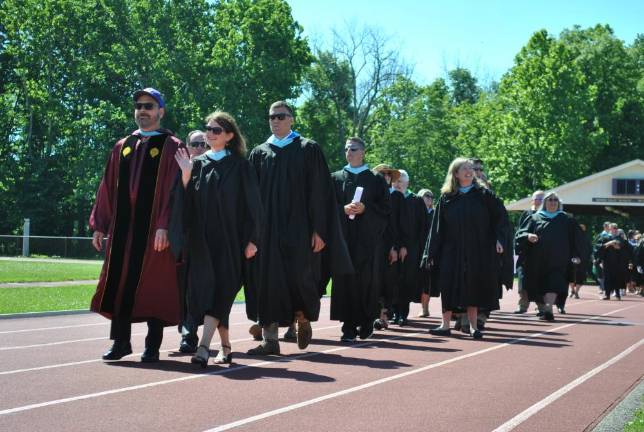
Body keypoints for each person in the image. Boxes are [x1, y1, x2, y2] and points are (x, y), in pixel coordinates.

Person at [245, 101, 352, 355]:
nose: (275, 120)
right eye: (271, 116)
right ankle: (270, 339)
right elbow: (251, 198)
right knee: (268, 281)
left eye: (281, 116)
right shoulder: (260, 153)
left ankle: (302, 318)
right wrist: (251, 234)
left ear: (292, 119)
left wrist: (319, 230)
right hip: (267, 231)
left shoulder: (308, 149)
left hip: (300, 228)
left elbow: (320, 193)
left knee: (300, 278)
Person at [90, 88, 183, 362]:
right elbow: (107, 188)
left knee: (154, 284)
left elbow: (175, 191)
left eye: (149, 106)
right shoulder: (123, 146)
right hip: (123, 232)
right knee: (119, 282)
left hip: (155, 232)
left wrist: (165, 225)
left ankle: (152, 346)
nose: (142, 110)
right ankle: (120, 342)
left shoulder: (172, 146)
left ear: (160, 111)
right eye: (139, 105)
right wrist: (100, 224)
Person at [174, 112, 262, 367]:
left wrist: (253, 240)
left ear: (229, 136)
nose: (209, 133)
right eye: (208, 129)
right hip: (202, 243)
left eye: (216, 130)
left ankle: (203, 348)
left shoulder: (240, 166)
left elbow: (254, 206)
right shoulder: (198, 164)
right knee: (205, 293)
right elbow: (186, 205)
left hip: (231, 242)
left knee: (222, 291)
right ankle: (225, 346)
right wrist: (186, 176)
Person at [424, 157, 506, 339]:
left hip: (478, 248)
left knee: (473, 284)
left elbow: (500, 218)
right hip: (451, 249)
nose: (469, 171)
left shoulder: (484, 195)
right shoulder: (447, 197)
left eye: (471, 168)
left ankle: (474, 326)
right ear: (455, 173)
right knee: (447, 284)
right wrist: (430, 251)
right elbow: (437, 228)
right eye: (464, 169)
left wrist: (499, 239)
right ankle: (445, 325)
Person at [330, 137, 390, 341]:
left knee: (366, 282)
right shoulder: (336, 178)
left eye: (353, 149)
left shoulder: (375, 179)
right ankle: (347, 327)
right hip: (344, 240)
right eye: (346, 148)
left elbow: (385, 210)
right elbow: (325, 208)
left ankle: (366, 322)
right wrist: (342, 209)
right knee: (345, 282)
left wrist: (366, 209)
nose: (349, 152)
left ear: (363, 152)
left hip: (367, 241)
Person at [515, 192, 583, 321]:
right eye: (550, 199)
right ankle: (545, 307)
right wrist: (528, 236)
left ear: (559, 203)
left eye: (555, 200)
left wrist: (576, 255)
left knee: (554, 282)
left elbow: (577, 240)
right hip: (538, 259)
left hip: (559, 259)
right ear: (545, 203)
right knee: (540, 285)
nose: (552, 202)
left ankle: (548, 308)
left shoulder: (567, 220)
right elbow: (521, 233)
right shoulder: (535, 218)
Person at [171, 130, 208, 354]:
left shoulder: (213, 168)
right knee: (180, 288)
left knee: (197, 288)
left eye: (203, 143)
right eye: (195, 143)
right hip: (180, 238)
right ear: (187, 145)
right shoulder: (176, 168)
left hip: (205, 239)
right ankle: (187, 331)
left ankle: (190, 333)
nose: (200, 147)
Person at [393, 170, 427, 326]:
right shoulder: (389, 198)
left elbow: (422, 227)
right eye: (395, 181)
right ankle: (391, 312)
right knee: (392, 280)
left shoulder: (416, 200)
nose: (397, 183)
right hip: (392, 247)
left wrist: (408, 246)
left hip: (411, 248)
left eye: (401, 181)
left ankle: (402, 313)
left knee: (406, 280)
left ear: (407, 183)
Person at [371, 164, 403, 331]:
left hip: (389, 244)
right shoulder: (370, 197)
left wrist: (395, 247)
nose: (385, 177)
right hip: (372, 244)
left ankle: (384, 315)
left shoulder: (396, 197)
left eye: (388, 175)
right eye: (382, 174)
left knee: (388, 280)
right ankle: (374, 315)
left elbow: (398, 225)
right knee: (372, 280)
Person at [514, 190, 546, 315]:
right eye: (537, 199)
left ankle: (541, 307)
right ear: (532, 200)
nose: (539, 201)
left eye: (542, 199)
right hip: (527, 253)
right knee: (523, 281)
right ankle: (523, 305)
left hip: (542, 254)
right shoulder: (527, 214)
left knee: (541, 281)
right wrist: (527, 236)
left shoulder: (548, 215)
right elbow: (519, 232)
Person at [596, 224, 630, 300]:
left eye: (614, 228)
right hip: (607, 261)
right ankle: (607, 294)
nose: (612, 230)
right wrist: (610, 242)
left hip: (617, 262)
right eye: (611, 228)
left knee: (616, 278)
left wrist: (615, 244)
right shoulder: (605, 237)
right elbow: (601, 247)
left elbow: (620, 247)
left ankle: (617, 294)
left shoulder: (620, 238)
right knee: (607, 278)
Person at [416, 189, 435, 318]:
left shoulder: (435, 214)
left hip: (429, 251)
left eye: (431, 196)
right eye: (426, 196)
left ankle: (425, 308)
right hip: (415, 249)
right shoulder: (414, 213)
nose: (429, 198)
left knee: (426, 280)